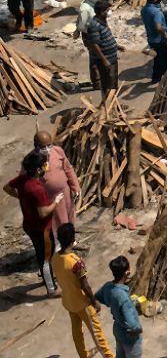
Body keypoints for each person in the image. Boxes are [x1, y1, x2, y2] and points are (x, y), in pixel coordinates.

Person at [52, 222, 114, 358]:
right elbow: (85, 285)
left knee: (77, 333)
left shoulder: (54, 258)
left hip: (68, 301)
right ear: (73, 239)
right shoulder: (76, 262)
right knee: (97, 335)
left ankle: (83, 355)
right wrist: (94, 301)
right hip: (82, 303)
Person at [4, 150, 62, 294]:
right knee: (46, 257)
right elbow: (43, 212)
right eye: (44, 165)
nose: (46, 167)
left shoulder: (23, 179)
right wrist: (56, 202)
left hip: (29, 225)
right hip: (41, 228)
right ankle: (51, 289)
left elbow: (7, 188)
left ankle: (48, 277)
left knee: (41, 253)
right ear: (38, 169)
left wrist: (22, 197)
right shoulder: (37, 189)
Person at [95, 256, 143, 358]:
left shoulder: (108, 287)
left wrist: (111, 303)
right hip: (129, 336)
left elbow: (98, 296)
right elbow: (131, 323)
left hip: (117, 329)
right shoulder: (124, 297)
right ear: (126, 273)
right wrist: (138, 329)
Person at [34, 130, 80, 231]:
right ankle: (59, 243)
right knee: (57, 220)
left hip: (65, 192)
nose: (47, 149)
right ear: (36, 146)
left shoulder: (57, 151)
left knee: (69, 215)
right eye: (43, 147)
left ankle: (71, 239)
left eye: (49, 145)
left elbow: (68, 169)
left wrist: (75, 186)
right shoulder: (33, 160)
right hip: (50, 197)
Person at [84, 0, 124, 93]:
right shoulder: (94, 25)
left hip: (112, 58)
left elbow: (106, 38)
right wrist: (104, 60)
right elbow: (95, 44)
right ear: (102, 12)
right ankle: (107, 104)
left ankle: (113, 104)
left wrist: (117, 46)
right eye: (107, 10)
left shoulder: (102, 21)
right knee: (107, 84)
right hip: (106, 60)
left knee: (113, 83)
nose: (109, 12)